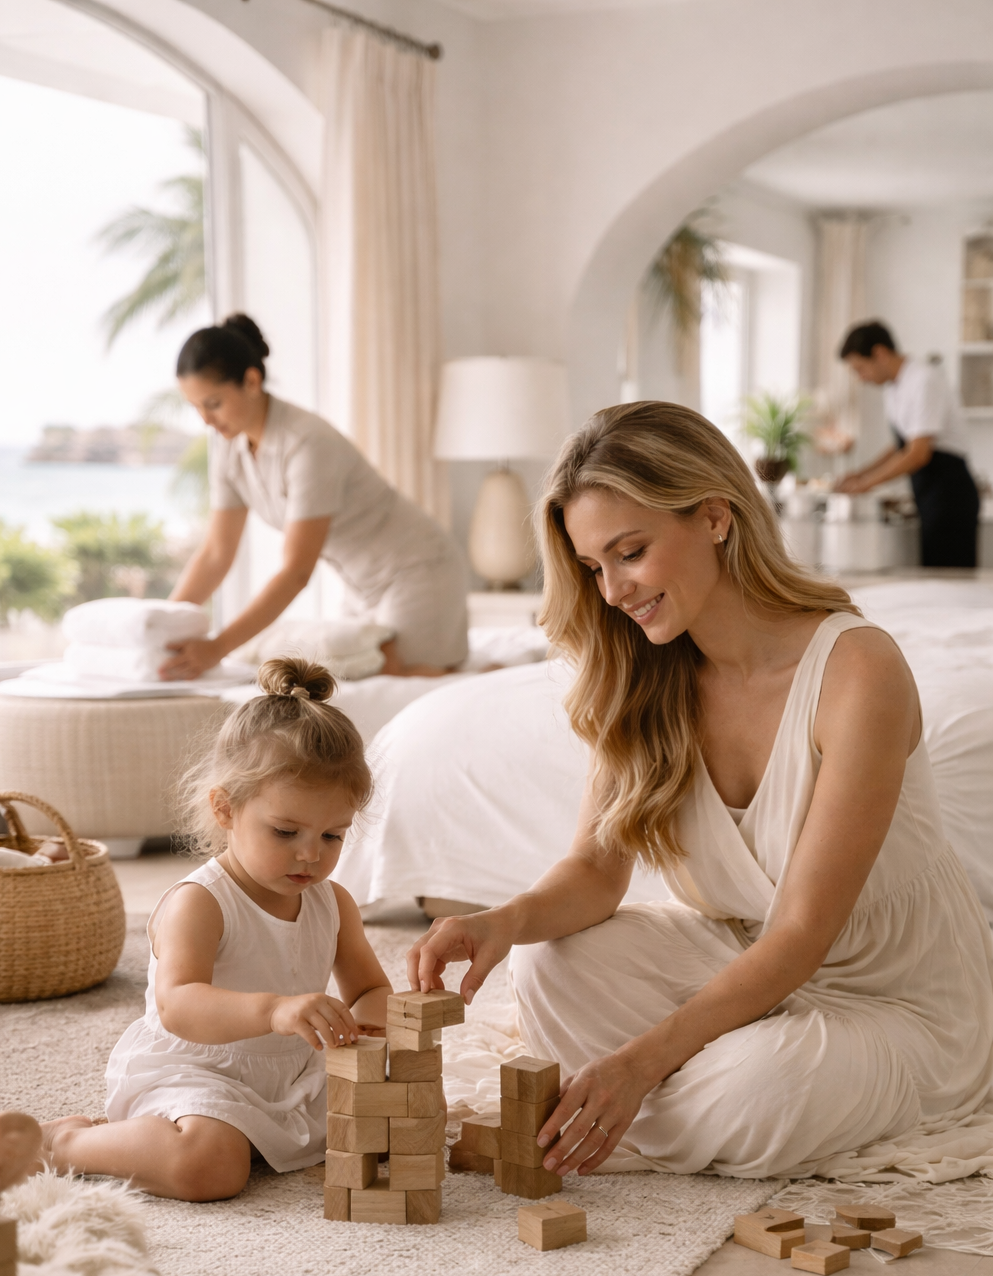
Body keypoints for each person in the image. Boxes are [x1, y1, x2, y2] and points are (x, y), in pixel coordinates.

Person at [409, 402, 993, 1180]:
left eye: (631, 552)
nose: (612, 591)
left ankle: (654, 1110)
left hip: (894, 1002)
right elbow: (594, 872)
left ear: (716, 517)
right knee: (546, 964)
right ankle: (690, 1099)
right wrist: (497, 921)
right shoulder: (641, 671)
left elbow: (801, 936)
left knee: (765, 1088)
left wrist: (640, 1063)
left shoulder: (857, 671)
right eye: (593, 568)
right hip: (742, 959)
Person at [38, 658, 393, 1201]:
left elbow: (370, 989)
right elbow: (179, 1005)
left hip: (293, 1071)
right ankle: (65, 1143)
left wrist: (365, 1038)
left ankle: (260, 1130)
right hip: (199, 1070)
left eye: (332, 836)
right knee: (209, 1168)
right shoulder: (200, 903)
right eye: (285, 831)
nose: (310, 853)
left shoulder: (333, 903)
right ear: (226, 809)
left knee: (394, 1116)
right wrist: (274, 1009)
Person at [162, 314, 469, 680]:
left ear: (251, 380)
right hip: (360, 585)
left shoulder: (308, 443)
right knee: (364, 671)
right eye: (195, 407)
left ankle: (491, 676)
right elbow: (216, 553)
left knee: (401, 678)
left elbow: (296, 571)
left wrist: (217, 647)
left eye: (212, 403)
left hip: (419, 570)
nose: (205, 421)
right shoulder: (230, 450)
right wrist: (160, 626)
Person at [835, 320, 980, 568]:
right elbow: (901, 445)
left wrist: (866, 484)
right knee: (933, 578)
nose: (861, 378)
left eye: (861, 368)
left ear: (880, 353)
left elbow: (918, 454)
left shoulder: (923, 379)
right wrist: (859, 473)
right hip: (929, 493)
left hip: (949, 494)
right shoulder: (894, 388)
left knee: (949, 584)